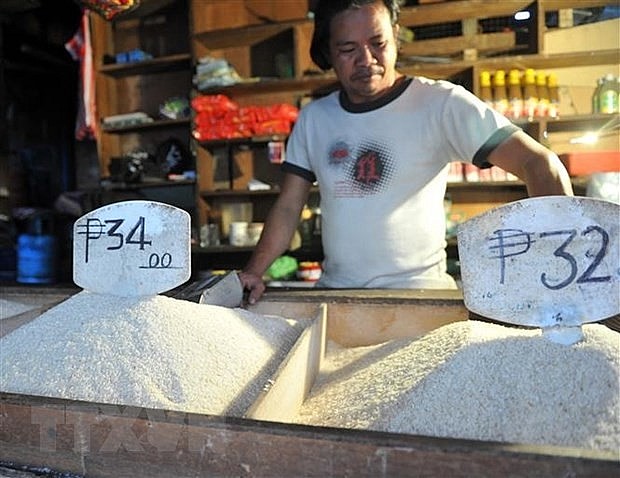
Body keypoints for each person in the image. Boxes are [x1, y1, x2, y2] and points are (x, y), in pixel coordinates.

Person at [239, 0, 573, 303]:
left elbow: (539, 162)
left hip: (421, 297)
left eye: (378, 43)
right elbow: (287, 208)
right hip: (339, 296)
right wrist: (254, 272)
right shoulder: (315, 118)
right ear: (327, 51)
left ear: (396, 36)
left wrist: (561, 257)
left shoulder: (441, 104)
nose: (366, 60)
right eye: (347, 49)